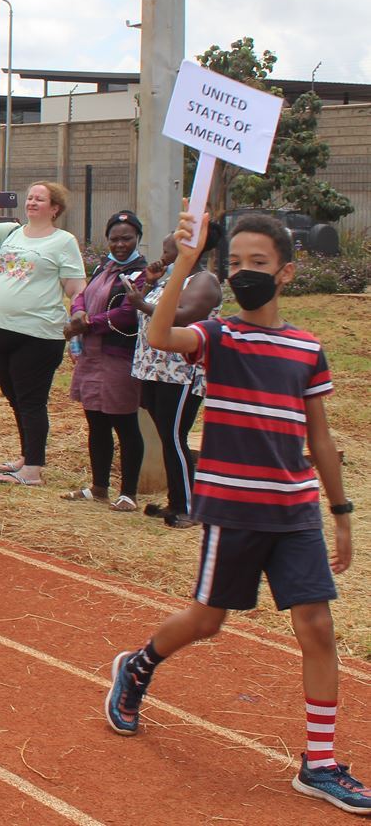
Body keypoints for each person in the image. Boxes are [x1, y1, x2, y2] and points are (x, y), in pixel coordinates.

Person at [104, 210, 367, 814]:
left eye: (259, 263)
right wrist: (185, 262)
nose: (246, 272)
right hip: (235, 507)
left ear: (286, 273)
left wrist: (341, 511)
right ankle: (138, 665)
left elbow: (320, 436)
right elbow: (161, 335)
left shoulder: (307, 347)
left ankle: (320, 763)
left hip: (295, 509)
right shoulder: (218, 336)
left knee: (317, 627)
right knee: (207, 620)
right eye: (237, 263)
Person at [0, 183, 86, 487]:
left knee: (31, 400)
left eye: (40, 199)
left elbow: (76, 287)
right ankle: (27, 457)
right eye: (29, 198)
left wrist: (78, 318)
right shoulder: (11, 232)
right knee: (15, 397)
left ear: (55, 208)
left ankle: (33, 470)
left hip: (39, 333)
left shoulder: (63, 241)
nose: (32, 202)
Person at [124, 223, 225, 529]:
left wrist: (143, 303)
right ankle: (176, 500)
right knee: (168, 437)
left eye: (169, 251)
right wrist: (149, 285)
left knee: (174, 437)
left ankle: (189, 506)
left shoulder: (204, 281)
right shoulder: (170, 280)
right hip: (156, 370)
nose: (163, 256)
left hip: (180, 373)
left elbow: (185, 316)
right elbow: (148, 312)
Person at [60, 211, 149, 510]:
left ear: (138, 238)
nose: (120, 244)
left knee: (125, 424)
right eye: (114, 239)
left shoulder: (141, 274)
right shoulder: (104, 267)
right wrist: (78, 312)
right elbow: (82, 295)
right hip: (92, 356)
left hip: (118, 357)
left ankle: (129, 493)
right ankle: (99, 487)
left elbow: (127, 314)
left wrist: (86, 324)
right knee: (96, 422)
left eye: (127, 238)